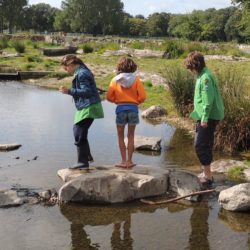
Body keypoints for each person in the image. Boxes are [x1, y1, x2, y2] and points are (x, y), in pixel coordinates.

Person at [185, 51, 224, 186]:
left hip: (208, 117)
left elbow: (208, 100)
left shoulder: (205, 77)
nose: (190, 71)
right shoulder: (202, 75)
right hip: (204, 116)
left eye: (191, 67)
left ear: (196, 65)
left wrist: (205, 118)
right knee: (204, 144)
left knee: (200, 144)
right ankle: (206, 172)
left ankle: (208, 176)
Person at [59, 54, 104, 169]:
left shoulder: (82, 73)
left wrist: (69, 91)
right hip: (87, 106)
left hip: (89, 106)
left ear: (72, 64)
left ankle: (82, 162)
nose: (65, 69)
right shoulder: (82, 71)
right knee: (79, 131)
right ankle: (86, 156)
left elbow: (87, 91)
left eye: (66, 66)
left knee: (78, 132)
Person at [107, 57, 146, 168]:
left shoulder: (115, 80)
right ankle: (130, 161)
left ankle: (123, 161)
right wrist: (136, 102)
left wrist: (117, 101)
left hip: (120, 110)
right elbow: (143, 96)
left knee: (120, 136)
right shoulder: (137, 80)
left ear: (119, 67)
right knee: (131, 136)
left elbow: (108, 96)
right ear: (133, 67)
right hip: (133, 109)